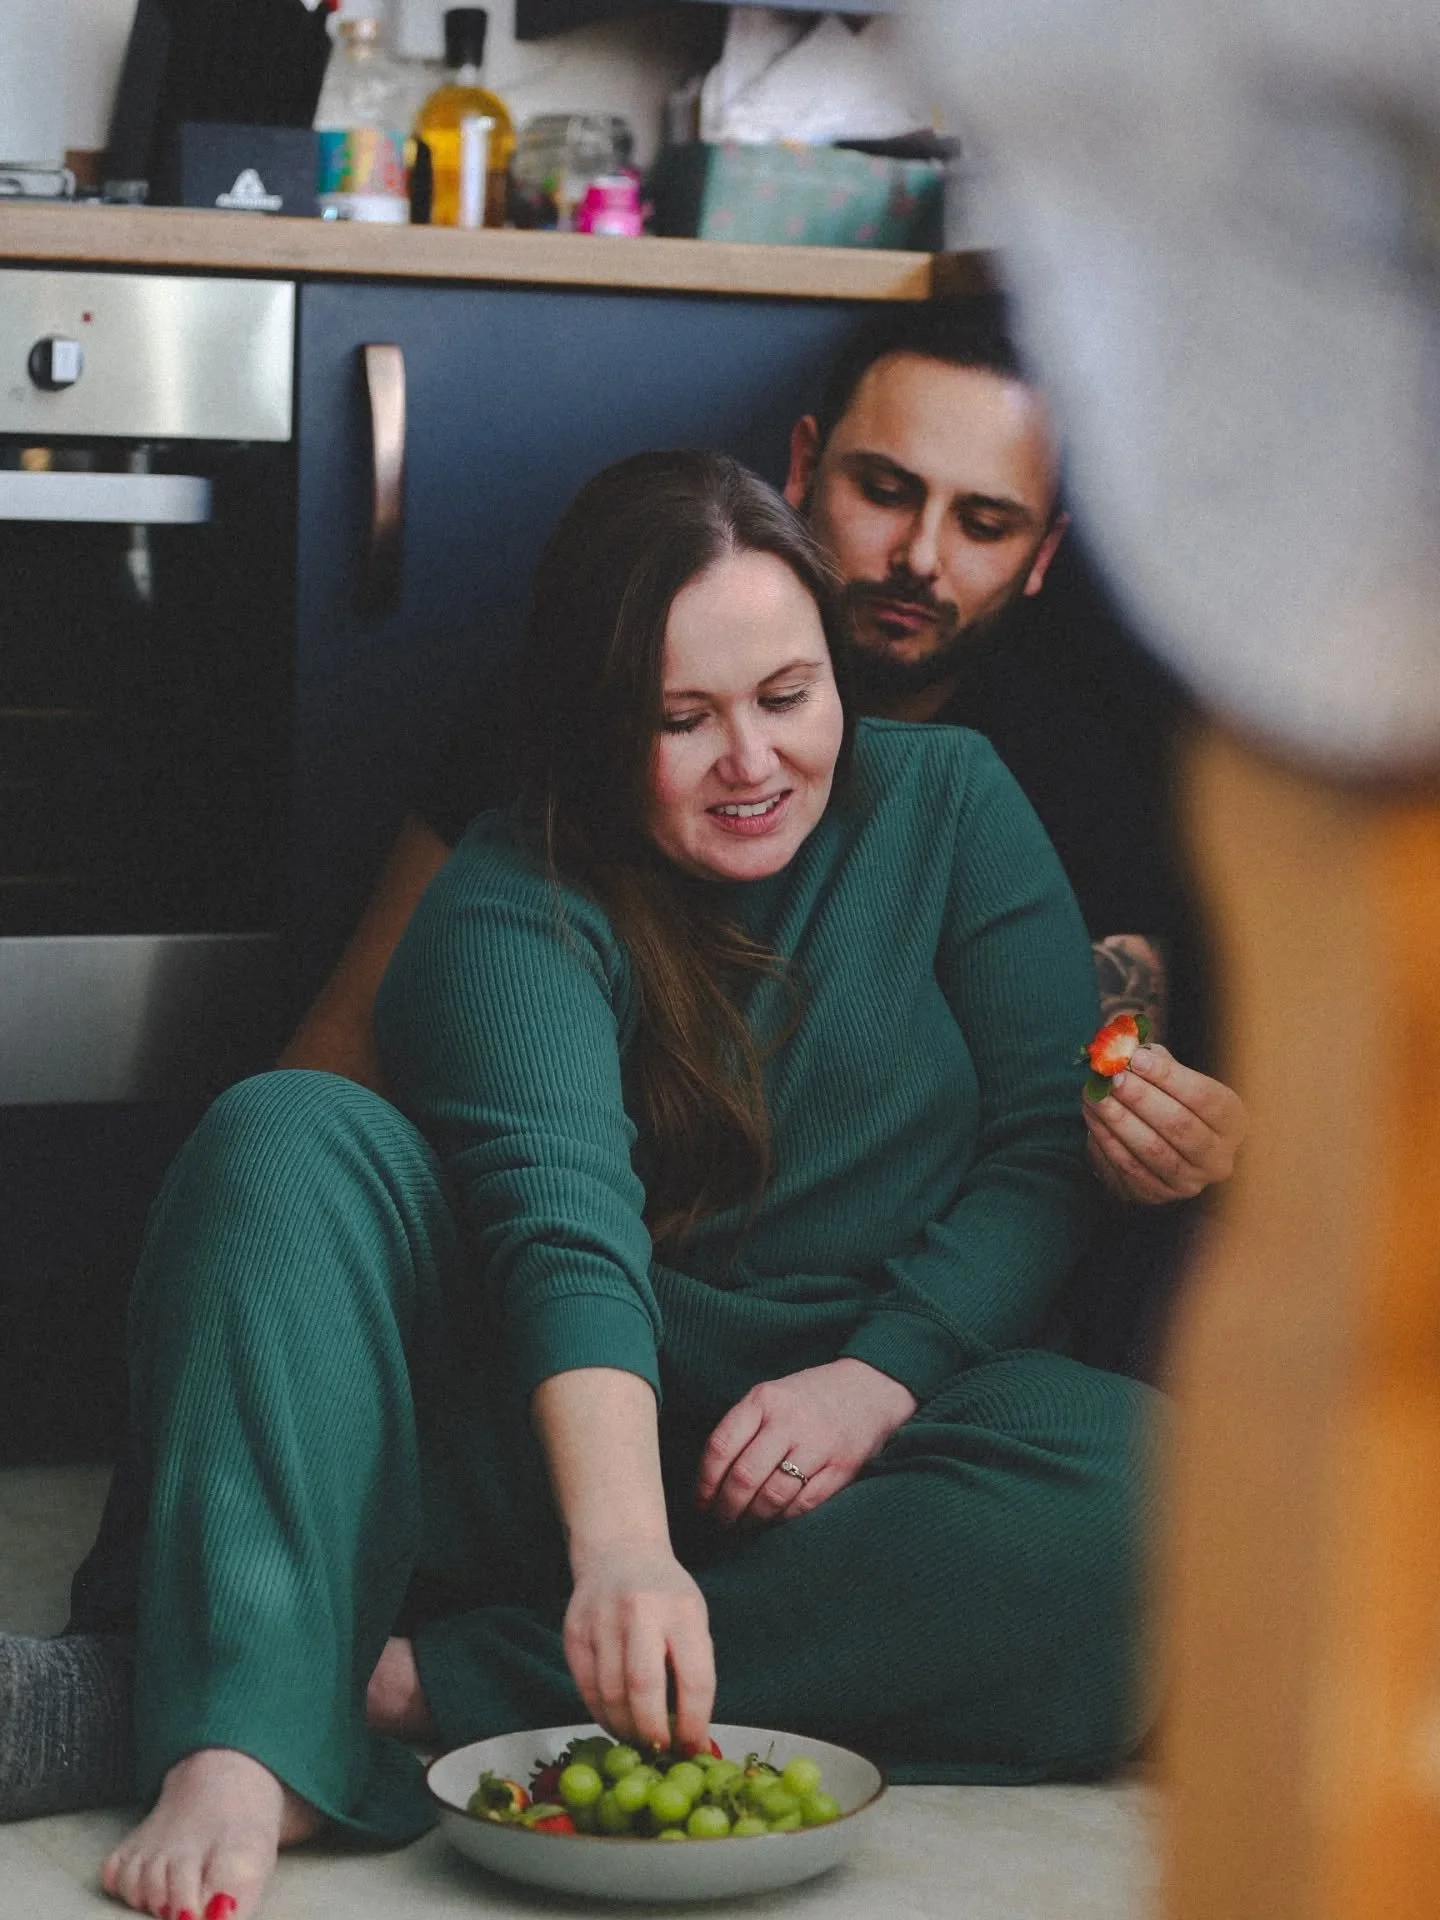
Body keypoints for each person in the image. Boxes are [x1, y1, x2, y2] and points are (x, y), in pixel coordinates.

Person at [8, 453, 1153, 1918]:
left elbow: (1037, 1148)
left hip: (842, 1463)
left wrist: (878, 1376)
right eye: (684, 720)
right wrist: (620, 1554)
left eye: (788, 698)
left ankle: (390, 1679)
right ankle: (242, 1737)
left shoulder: (953, 802)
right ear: (596, 730)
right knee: (285, 1133)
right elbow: (565, 1232)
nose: (752, 761)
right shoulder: (508, 891)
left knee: (1148, 1493)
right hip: (531, 1444)